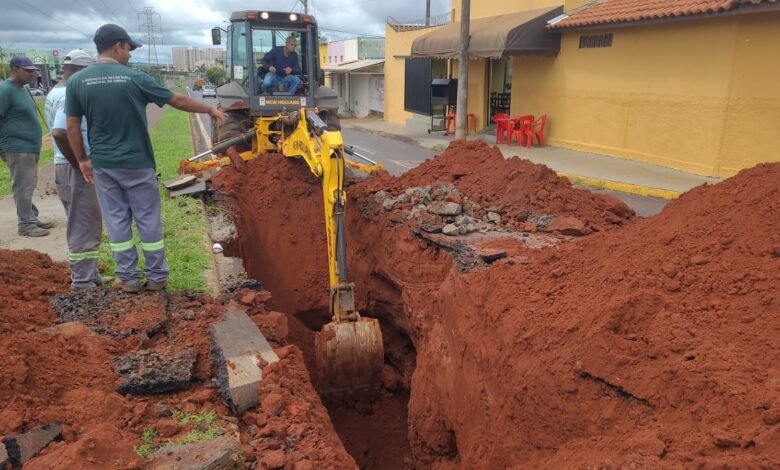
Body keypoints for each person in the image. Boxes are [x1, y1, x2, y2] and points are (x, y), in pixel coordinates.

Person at [65, 24, 227, 293]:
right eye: (128, 48)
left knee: (116, 221)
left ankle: (127, 278)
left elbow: (71, 127)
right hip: (137, 163)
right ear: (118, 46)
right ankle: (157, 277)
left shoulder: (78, 82)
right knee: (147, 219)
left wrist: (82, 159)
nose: (129, 54)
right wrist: (209, 109)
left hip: (104, 165)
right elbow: (177, 100)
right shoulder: (135, 78)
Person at [45, 49, 106, 289]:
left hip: (64, 165)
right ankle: (82, 282)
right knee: (83, 223)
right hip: (73, 167)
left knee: (83, 221)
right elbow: (59, 132)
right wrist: (79, 162)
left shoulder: (55, 92)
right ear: (83, 70)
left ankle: (89, 275)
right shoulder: (70, 93)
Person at [0, 56, 54, 237]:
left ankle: (30, 217)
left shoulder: (22, 89)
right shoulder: (4, 90)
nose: (32, 74)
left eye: (33, 70)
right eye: (27, 70)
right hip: (17, 147)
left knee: (27, 184)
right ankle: (26, 224)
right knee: (23, 185)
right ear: (14, 69)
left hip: (29, 147)